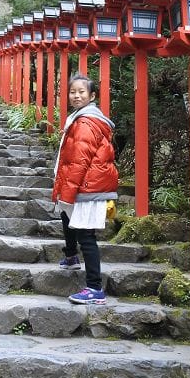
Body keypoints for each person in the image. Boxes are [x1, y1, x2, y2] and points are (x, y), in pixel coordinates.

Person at [52, 73, 118, 305]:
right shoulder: (82, 118)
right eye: (72, 92)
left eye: (81, 92)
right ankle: (71, 255)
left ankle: (94, 288)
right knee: (65, 214)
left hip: (88, 186)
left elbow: (79, 161)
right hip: (88, 183)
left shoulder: (85, 123)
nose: (76, 95)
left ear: (92, 96)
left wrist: (67, 193)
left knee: (86, 235)